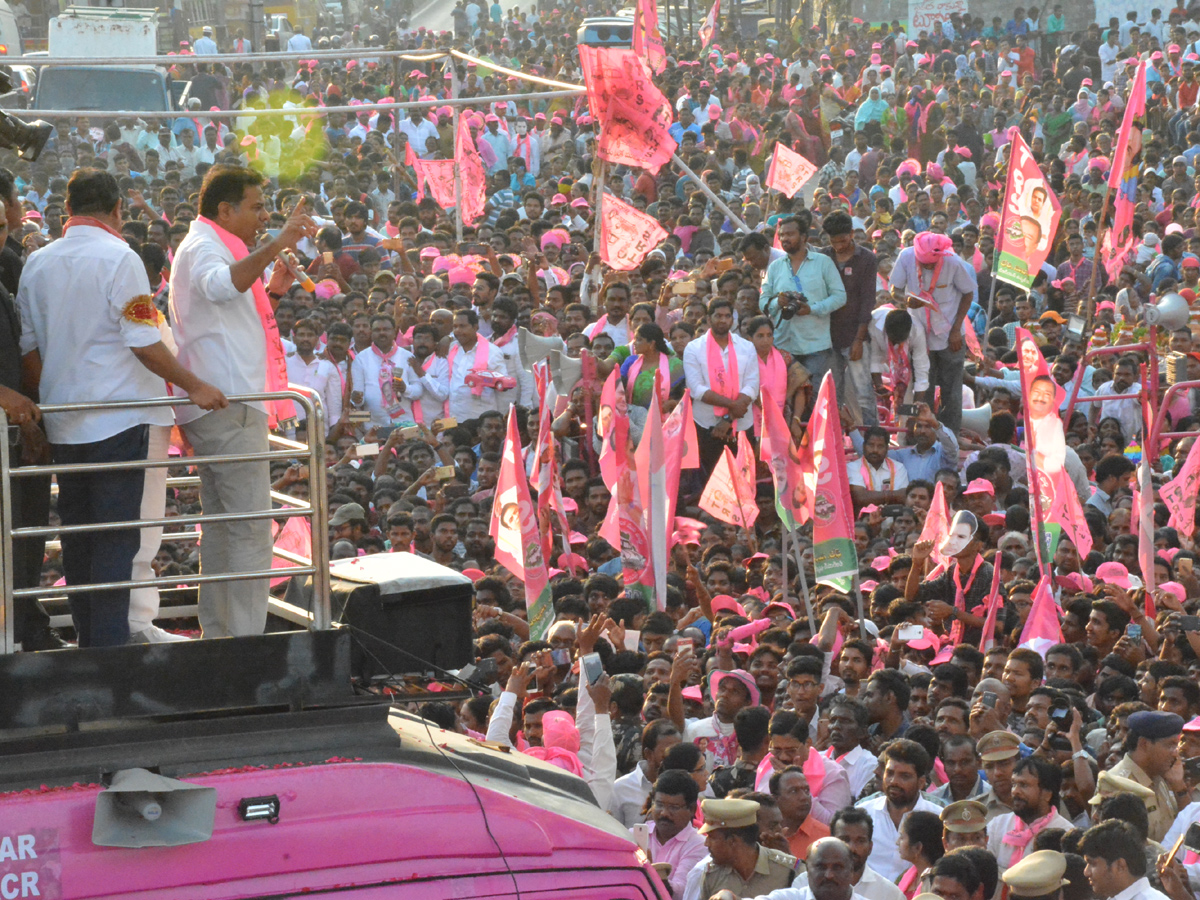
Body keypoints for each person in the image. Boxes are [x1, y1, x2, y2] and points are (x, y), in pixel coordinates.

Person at [18, 168, 226, 646]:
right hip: (118, 420)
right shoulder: (121, 257)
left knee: (79, 538)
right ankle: (109, 654)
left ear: (67, 209)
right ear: (116, 210)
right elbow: (141, 339)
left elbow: (30, 352)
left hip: (65, 424)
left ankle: (94, 643)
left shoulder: (37, 263)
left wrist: (50, 408)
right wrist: (193, 385)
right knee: (114, 538)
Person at [169, 165, 315, 638]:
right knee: (249, 529)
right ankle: (245, 641)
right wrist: (276, 243)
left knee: (227, 528)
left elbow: (228, 312)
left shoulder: (212, 244)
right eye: (256, 208)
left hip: (224, 407)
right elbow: (218, 285)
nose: (263, 217)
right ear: (225, 209)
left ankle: (224, 633)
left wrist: (272, 286)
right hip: (226, 408)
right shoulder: (204, 246)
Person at [888, 231, 976, 434]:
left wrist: (956, 330)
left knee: (951, 392)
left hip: (950, 335)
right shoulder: (906, 256)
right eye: (924, 263)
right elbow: (895, 289)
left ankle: (949, 437)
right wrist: (905, 299)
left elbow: (968, 293)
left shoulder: (952, 261)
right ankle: (921, 434)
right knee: (921, 388)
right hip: (919, 335)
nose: (928, 267)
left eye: (932, 264)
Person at [762, 213, 847, 393]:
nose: (785, 238)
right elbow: (763, 301)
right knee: (786, 396)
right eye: (782, 235)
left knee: (815, 397)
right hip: (784, 343)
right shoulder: (775, 267)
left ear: (803, 237)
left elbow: (840, 296)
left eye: (790, 234)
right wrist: (778, 302)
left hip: (815, 345)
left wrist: (812, 309)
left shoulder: (823, 262)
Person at [683, 298, 759, 473]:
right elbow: (696, 388)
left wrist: (728, 419)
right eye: (718, 316)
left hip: (741, 424)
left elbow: (752, 385)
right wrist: (733, 406)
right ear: (709, 319)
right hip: (706, 424)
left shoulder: (746, 347)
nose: (723, 320)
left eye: (727, 316)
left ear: (732, 320)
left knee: (743, 477)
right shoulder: (694, 348)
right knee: (713, 479)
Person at [856, 740, 943, 882]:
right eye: (889, 773)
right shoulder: (863, 814)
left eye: (904, 776)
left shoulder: (938, 818)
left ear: (921, 782)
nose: (894, 781)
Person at [682, 797, 798, 900]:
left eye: (712, 838)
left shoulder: (788, 870)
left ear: (733, 841)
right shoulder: (710, 874)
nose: (706, 843)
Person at [986, 757, 1073, 872]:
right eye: (1013, 784)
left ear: (1047, 794)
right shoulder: (997, 826)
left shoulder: (1065, 834)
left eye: (1024, 785)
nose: (1015, 791)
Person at [1106, 711, 1183, 842]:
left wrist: (1179, 787)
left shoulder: (1161, 776)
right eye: (1170, 745)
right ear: (1144, 744)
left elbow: (1185, 827)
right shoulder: (1116, 784)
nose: (1176, 753)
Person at [644, 769, 709, 899]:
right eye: (659, 805)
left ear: (691, 809)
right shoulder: (635, 834)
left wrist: (650, 871)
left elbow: (681, 893)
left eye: (673, 807)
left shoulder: (699, 845)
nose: (664, 813)